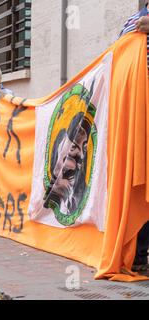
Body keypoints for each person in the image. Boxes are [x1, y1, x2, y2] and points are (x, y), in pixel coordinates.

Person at [120, 4, 149, 272]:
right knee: (138, 181)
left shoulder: (135, 21)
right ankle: (138, 254)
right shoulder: (133, 20)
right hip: (138, 110)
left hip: (140, 109)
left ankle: (139, 253)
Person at [44, 113, 92, 216]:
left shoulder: (81, 188)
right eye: (74, 146)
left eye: (84, 147)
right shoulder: (62, 160)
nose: (81, 155)